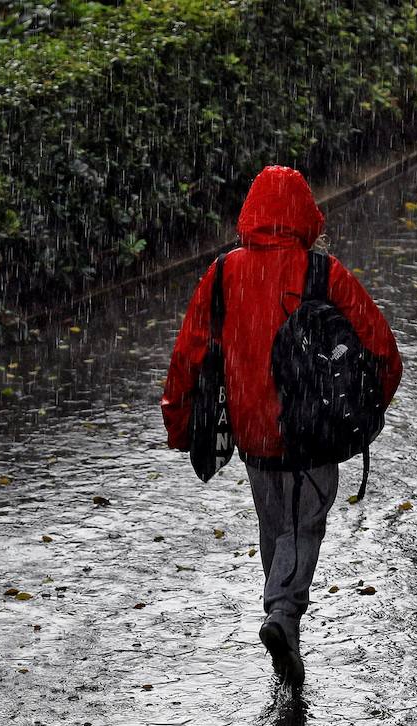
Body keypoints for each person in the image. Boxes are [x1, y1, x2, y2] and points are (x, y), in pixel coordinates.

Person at [160, 165, 402, 686]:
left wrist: (180, 423)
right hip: (314, 430)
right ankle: (284, 616)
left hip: (251, 431)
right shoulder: (324, 273)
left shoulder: (223, 273)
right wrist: (364, 413)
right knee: (304, 523)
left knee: (276, 525)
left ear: (250, 213)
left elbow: (188, 355)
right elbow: (382, 349)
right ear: (304, 216)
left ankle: (280, 615)